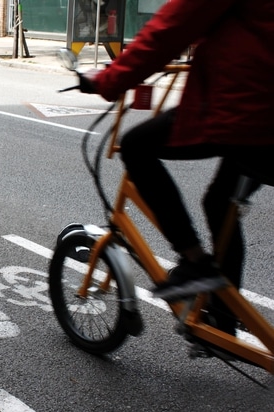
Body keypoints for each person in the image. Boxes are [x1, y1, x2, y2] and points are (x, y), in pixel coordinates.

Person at [79, 0, 274, 334]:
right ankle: (222, 318)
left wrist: (109, 80)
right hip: (262, 113)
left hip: (249, 110)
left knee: (137, 145)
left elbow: (169, 28)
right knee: (220, 203)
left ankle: (194, 262)